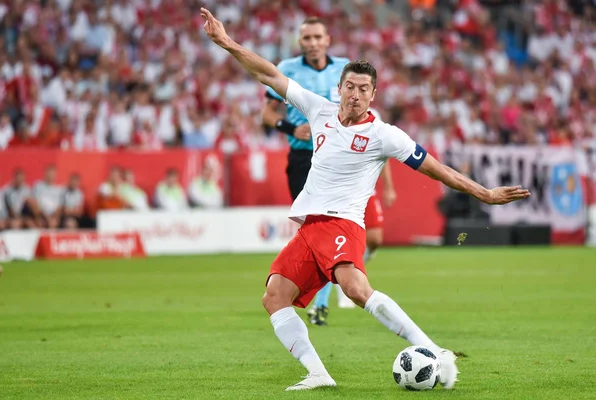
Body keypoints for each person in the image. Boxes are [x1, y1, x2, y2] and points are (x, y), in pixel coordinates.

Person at [201, 8, 530, 391]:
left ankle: (435, 351)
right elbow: (269, 74)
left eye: (363, 89)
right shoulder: (318, 109)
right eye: (350, 87)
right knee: (274, 297)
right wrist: (226, 42)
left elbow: (436, 168)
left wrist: (484, 193)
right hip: (310, 226)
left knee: (355, 289)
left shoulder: (384, 135)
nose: (355, 95)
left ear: (373, 94)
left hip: (343, 223)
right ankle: (318, 373)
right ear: (339, 88)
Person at [262, 16, 395, 324]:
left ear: (327, 40)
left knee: (374, 237)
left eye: (317, 37)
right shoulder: (288, 68)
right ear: (300, 41)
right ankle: (321, 301)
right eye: (306, 38)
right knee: (314, 231)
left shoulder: (346, 69)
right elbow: (267, 114)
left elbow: (377, 132)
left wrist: (387, 182)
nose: (312, 43)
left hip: (349, 158)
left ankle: (349, 270)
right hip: (305, 159)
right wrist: (288, 129)